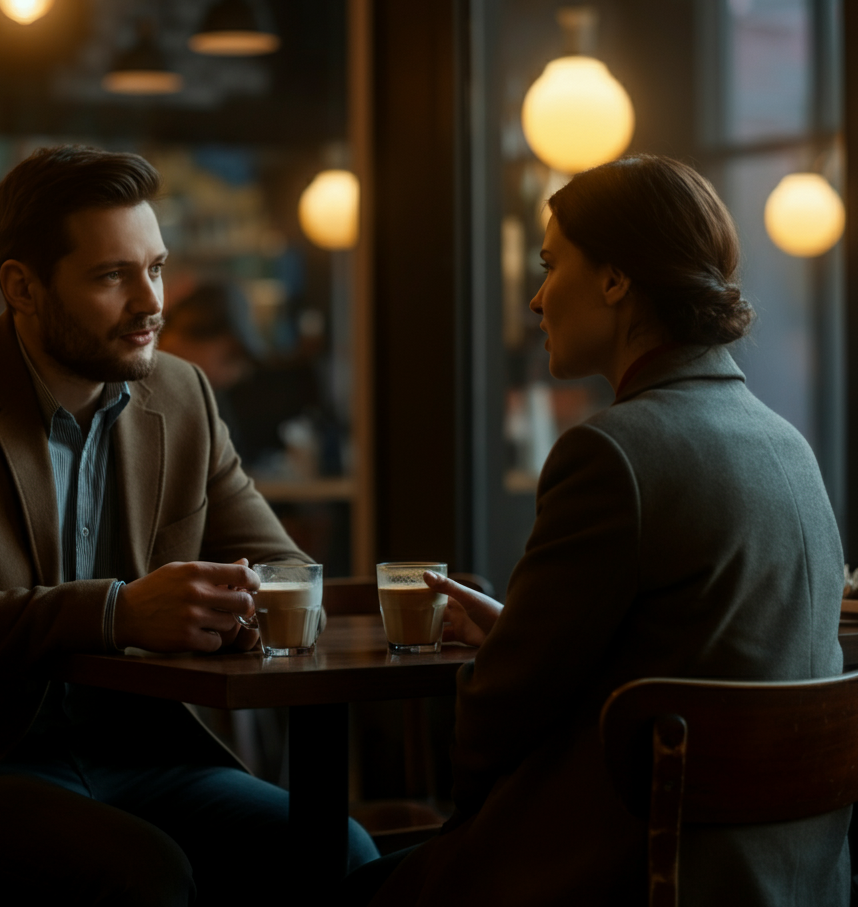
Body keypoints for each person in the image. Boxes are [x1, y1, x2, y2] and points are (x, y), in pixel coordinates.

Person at [0, 145, 377, 906]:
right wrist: (118, 611)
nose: (152, 302)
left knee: (337, 851)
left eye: (154, 267)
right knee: (140, 876)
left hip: (143, 749)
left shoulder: (181, 393)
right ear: (21, 286)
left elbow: (275, 565)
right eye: (111, 276)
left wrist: (243, 606)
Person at [349, 155, 850, 907]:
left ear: (616, 280)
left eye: (552, 266)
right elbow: (689, 651)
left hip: (634, 871)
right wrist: (521, 636)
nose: (536, 299)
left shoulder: (611, 452)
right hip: (792, 876)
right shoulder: (786, 443)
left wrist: (493, 678)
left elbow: (490, 729)